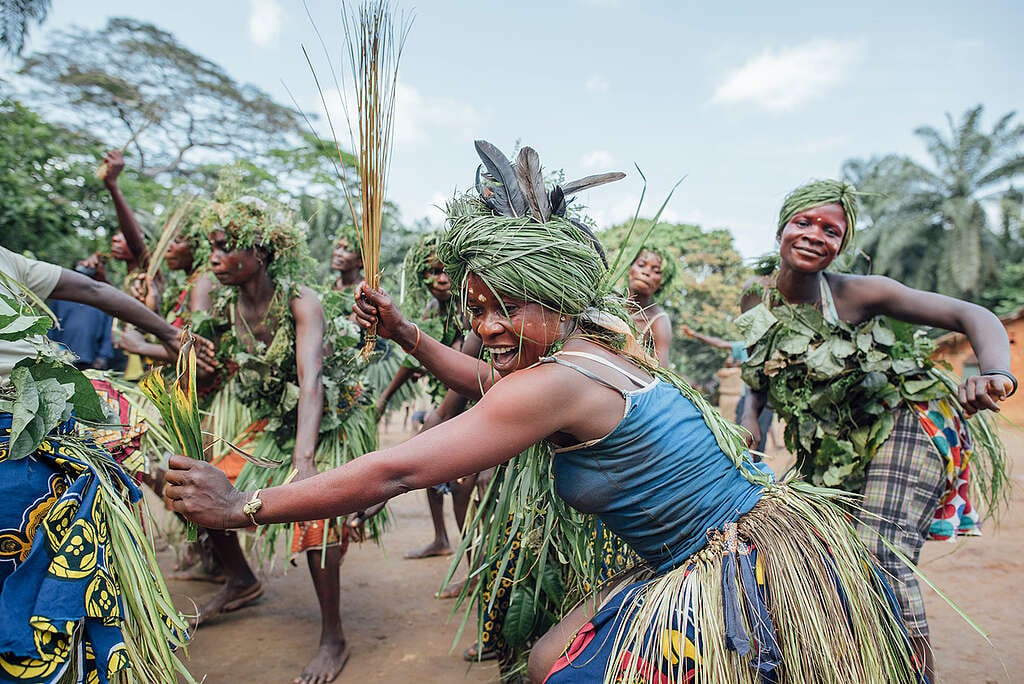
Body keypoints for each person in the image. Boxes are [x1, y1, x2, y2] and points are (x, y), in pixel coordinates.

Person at [165, 142, 924, 684]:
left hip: (733, 565)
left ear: (554, 300)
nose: (488, 326)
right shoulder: (592, 345)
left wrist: (245, 505)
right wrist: (404, 331)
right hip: (756, 536)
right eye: (476, 309)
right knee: (545, 657)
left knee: (560, 668)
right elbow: (493, 387)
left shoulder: (554, 381)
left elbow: (396, 468)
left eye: (506, 308)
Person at [737, 179, 1013, 682]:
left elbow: (971, 314)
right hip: (835, 444)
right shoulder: (756, 298)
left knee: (879, 553)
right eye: (804, 222)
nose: (816, 235)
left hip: (908, 418)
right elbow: (759, 373)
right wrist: (750, 419)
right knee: (818, 556)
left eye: (831, 230)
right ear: (781, 227)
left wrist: (997, 373)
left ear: (842, 245)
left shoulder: (859, 293)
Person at [0, 243, 211, 683]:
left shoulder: (199, 284)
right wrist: (168, 336)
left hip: (38, 449)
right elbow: (93, 290)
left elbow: (99, 287)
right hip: (42, 454)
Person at [189, 190, 376, 684]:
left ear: (263, 251)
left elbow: (311, 379)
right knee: (197, 487)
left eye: (226, 246)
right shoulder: (225, 306)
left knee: (316, 516)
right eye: (211, 246)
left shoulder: (300, 300)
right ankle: (241, 580)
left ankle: (333, 637)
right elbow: (222, 372)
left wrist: (305, 463)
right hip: (276, 421)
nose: (214, 258)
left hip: (329, 418)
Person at [680, 323, 775, 453]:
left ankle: (755, 466)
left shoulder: (772, 348)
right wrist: (695, 334)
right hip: (746, 399)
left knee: (759, 437)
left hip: (766, 401)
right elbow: (719, 343)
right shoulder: (745, 346)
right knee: (740, 435)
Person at [47, 255, 116, 370]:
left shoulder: (101, 302)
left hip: (90, 361)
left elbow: (108, 333)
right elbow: (50, 327)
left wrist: (103, 356)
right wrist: (50, 351)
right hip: (61, 359)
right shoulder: (60, 299)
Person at [625, 246, 673, 365]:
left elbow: (661, 372)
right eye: (641, 265)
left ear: (662, 282)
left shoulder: (658, 321)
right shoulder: (608, 302)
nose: (646, 272)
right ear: (629, 268)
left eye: (656, 271)